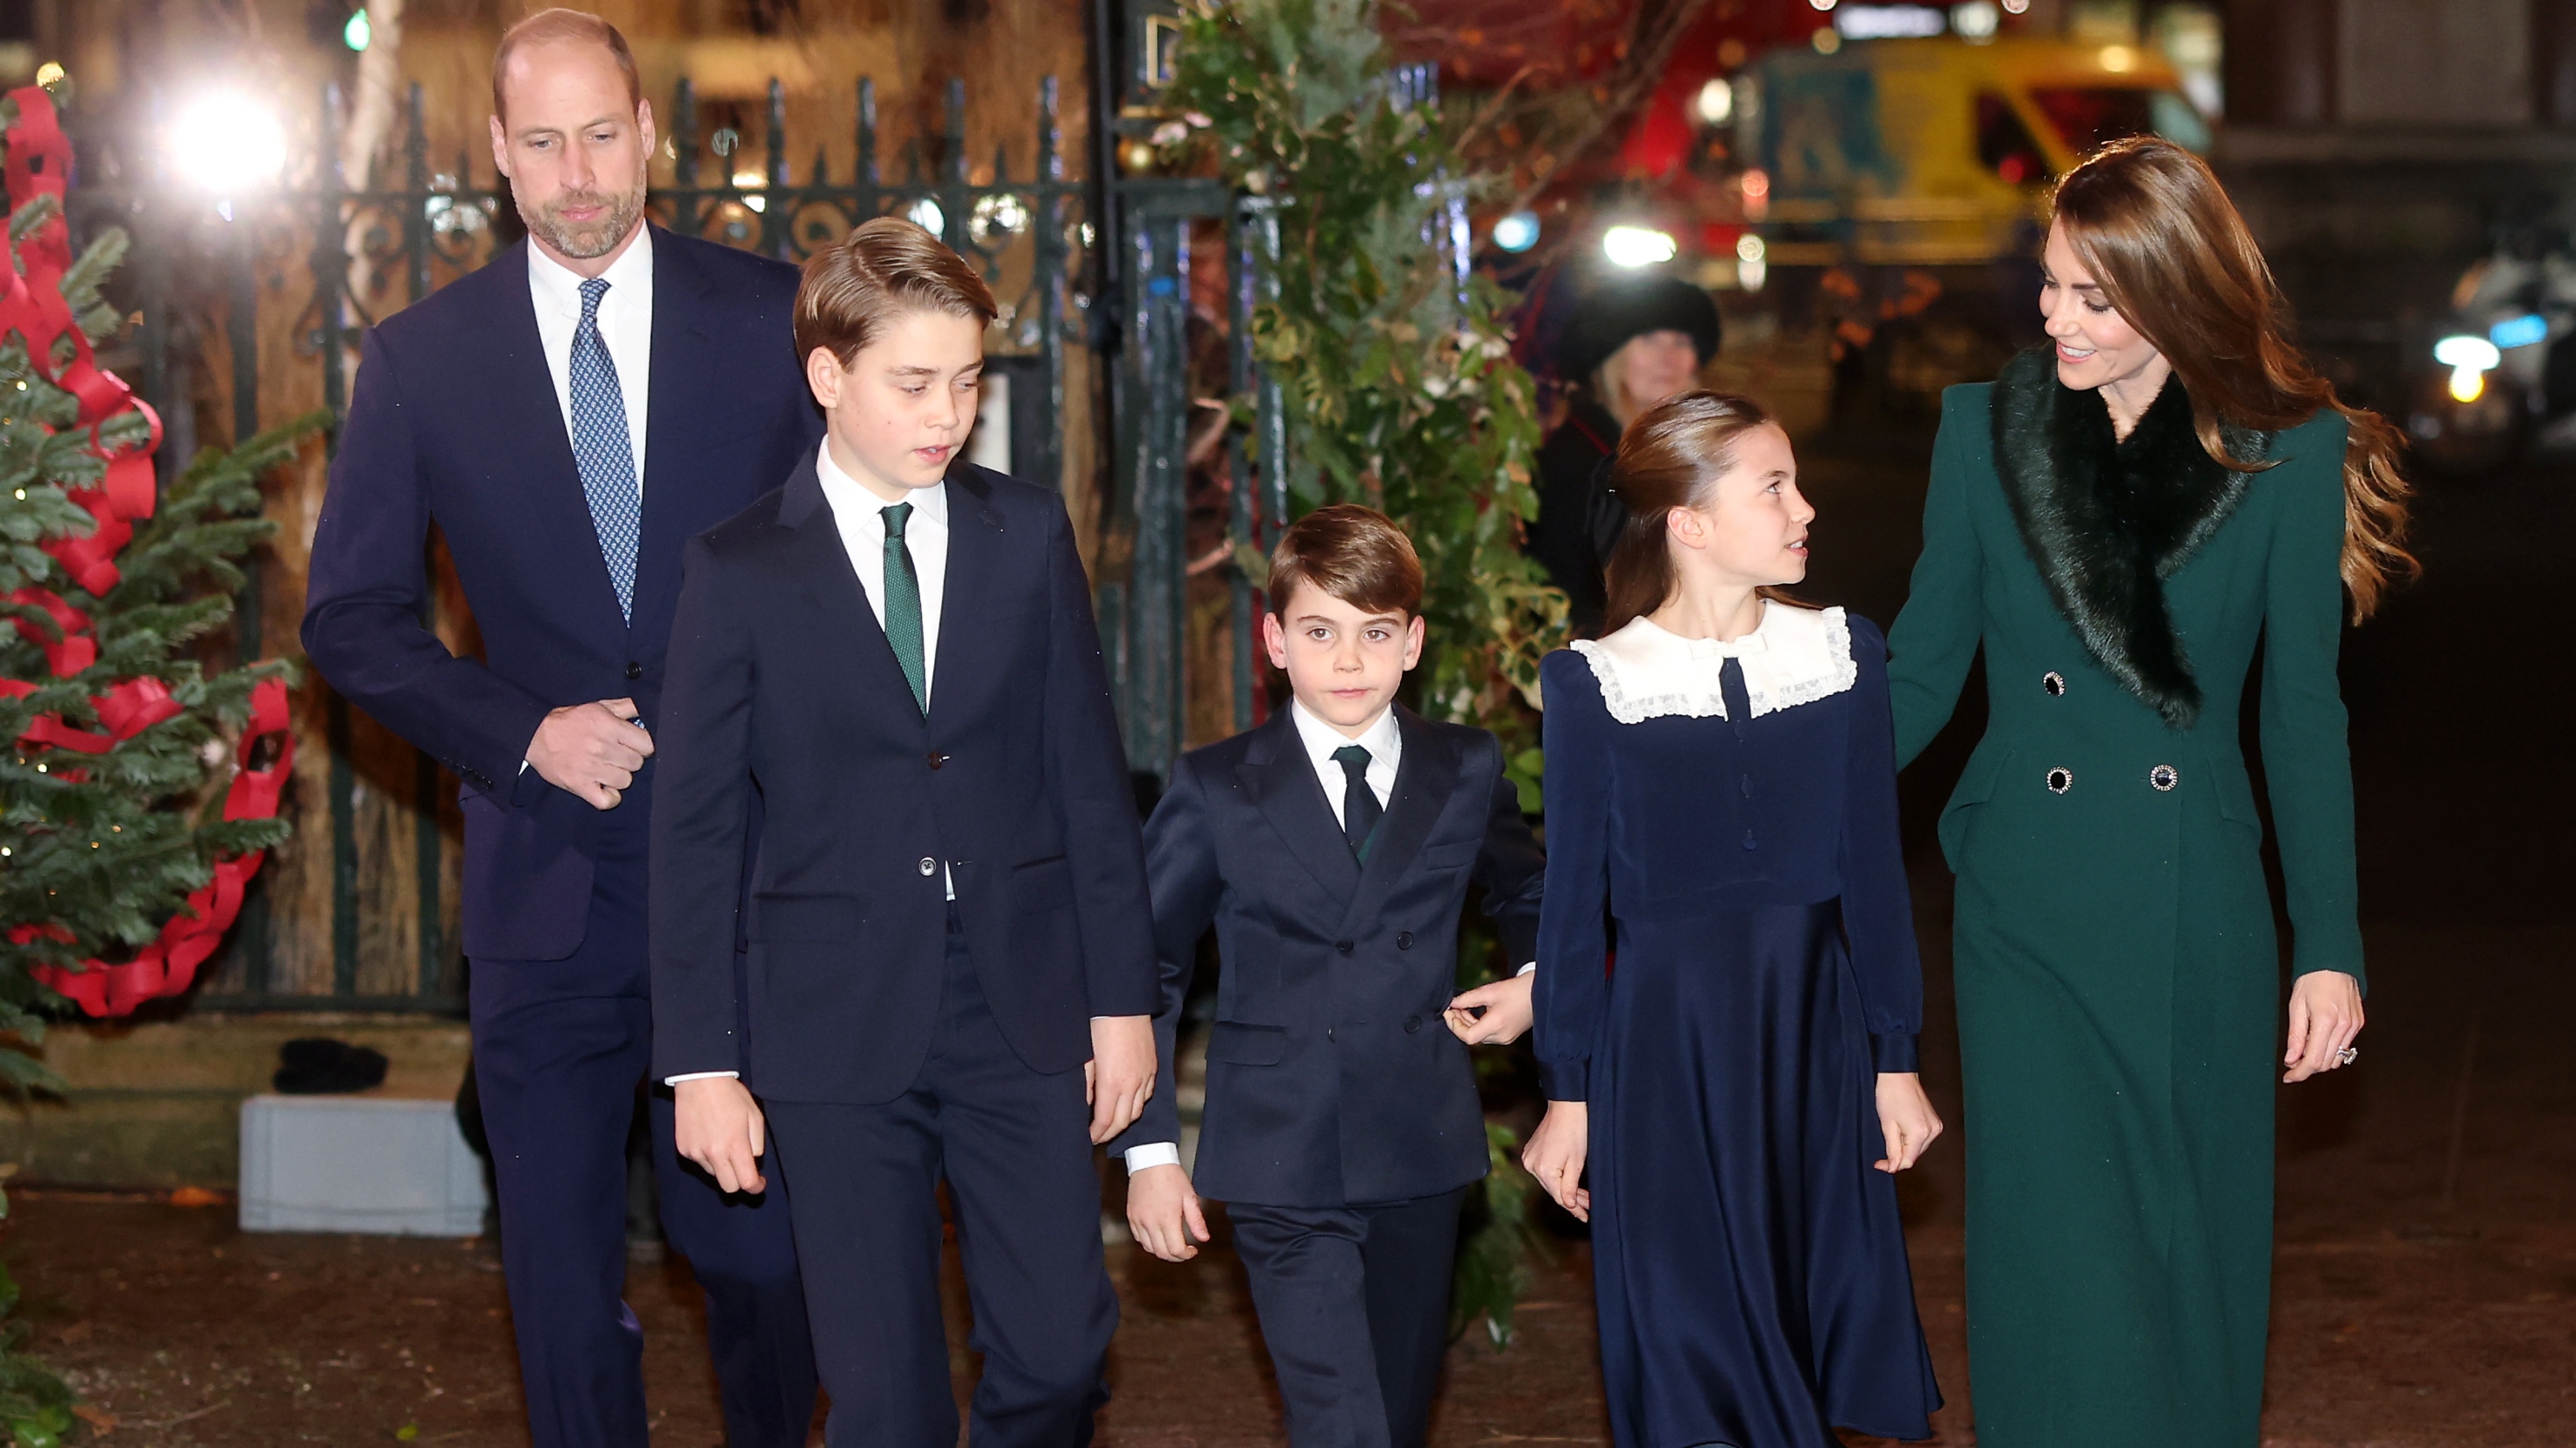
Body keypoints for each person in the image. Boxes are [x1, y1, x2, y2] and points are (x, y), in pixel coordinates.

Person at [299, 12, 818, 1446]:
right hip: (548, 887)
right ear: (495, 155)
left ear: (649, 130)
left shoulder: (778, 320)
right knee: (560, 1280)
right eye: (544, 141)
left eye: (603, 134)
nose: (579, 173)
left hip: (748, 880)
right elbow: (349, 615)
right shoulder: (422, 359)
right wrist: (521, 728)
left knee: (759, 1258)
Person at [1883, 137, 2409, 1447]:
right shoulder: (1982, 429)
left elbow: (2298, 719)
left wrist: (2328, 946)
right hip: (2025, 901)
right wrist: (1747, 770)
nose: (2055, 316)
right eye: (2050, 286)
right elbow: (1920, 678)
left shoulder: (2289, 454)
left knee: (2187, 1244)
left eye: (2092, 297)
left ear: (2171, 295)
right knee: (2048, 1247)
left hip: (2194, 906)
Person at [649, 216, 1158, 1448]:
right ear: (828, 377)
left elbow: (1086, 778)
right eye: (915, 383)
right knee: (880, 1394)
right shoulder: (737, 569)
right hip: (831, 1020)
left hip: (1021, 1005)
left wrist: (1122, 999)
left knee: (1060, 1347)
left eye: (969, 381)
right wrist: (701, 1063)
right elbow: (696, 828)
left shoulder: (1025, 533)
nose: (950, 414)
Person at [1520, 391, 1944, 1448]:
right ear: (1689, 523)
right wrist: (1566, 1093)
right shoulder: (1593, 682)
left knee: (1798, 1337)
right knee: (1688, 1348)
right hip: (1661, 1056)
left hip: (1812, 1042)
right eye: (1774, 487)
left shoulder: (1843, 653)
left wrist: (1895, 1057)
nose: (1804, 508)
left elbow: (1872, 877)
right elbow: (1572, 906)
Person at [1116, 504, 1548, 1448]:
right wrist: (1149, 1156)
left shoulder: (1463, 767)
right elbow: (1141, 965)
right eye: (1320, 632)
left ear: (1411, 642)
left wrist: (1531, 978)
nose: (1348, 660)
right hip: (1279, 1148)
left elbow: (1529, 890)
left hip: (1418, 1138)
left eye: (1373, 633)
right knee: (1336, 1418)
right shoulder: (1216, 785)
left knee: (1391, 1415)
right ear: (1275, 640)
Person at [1528, 276, 1720, 635]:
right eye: (1649, 340)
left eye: (1681, 341)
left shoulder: (1702, 452)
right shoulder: (1576, 459)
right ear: (1611, 357)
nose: (1669, 358)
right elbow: (1562, 589)